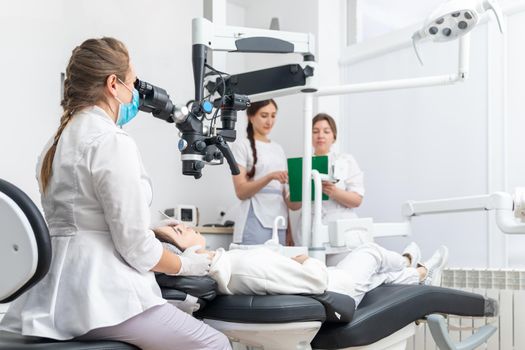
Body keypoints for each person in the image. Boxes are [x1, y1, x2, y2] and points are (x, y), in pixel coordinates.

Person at [0, 38, 230, 350]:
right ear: (113, 84)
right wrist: (190, 264)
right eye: (132, 83)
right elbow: (137, 248)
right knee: (215, 344)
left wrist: (155, 233)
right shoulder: (111, 142)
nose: (135, 93)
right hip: (101, 300)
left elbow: (84, 221)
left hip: (51, 299)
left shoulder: (55, 144)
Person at [155, 225, 449, 308]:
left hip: (334, 286)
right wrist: (306, 260)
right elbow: (315, 281)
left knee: (382, 279)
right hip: (336, 288)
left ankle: (418, 273)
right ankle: (412, 264)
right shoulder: (242, 265)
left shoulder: (229, 265)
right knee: (370, 253)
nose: (183, 224)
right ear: (190, 252)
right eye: (178, 230)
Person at [231, 100, 294, 245]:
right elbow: (241, 191)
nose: (269, 121)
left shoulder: (278, 149)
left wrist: (289, 231)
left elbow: (284, 196)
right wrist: (270, 177)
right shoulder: (242, 146)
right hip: (254, 222)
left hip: (279, 223)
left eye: (273, 116)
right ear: (251, 117)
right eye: (264, 115)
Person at [309, 113, 365, 224]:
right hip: (310, 224)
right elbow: (293, 206)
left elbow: (357, 200)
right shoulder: (303, 164)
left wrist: (335, 192)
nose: (320, 136)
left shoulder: (346, 160)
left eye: (326, 131)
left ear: (334, 136)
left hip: (340, 222)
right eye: (315, 132)